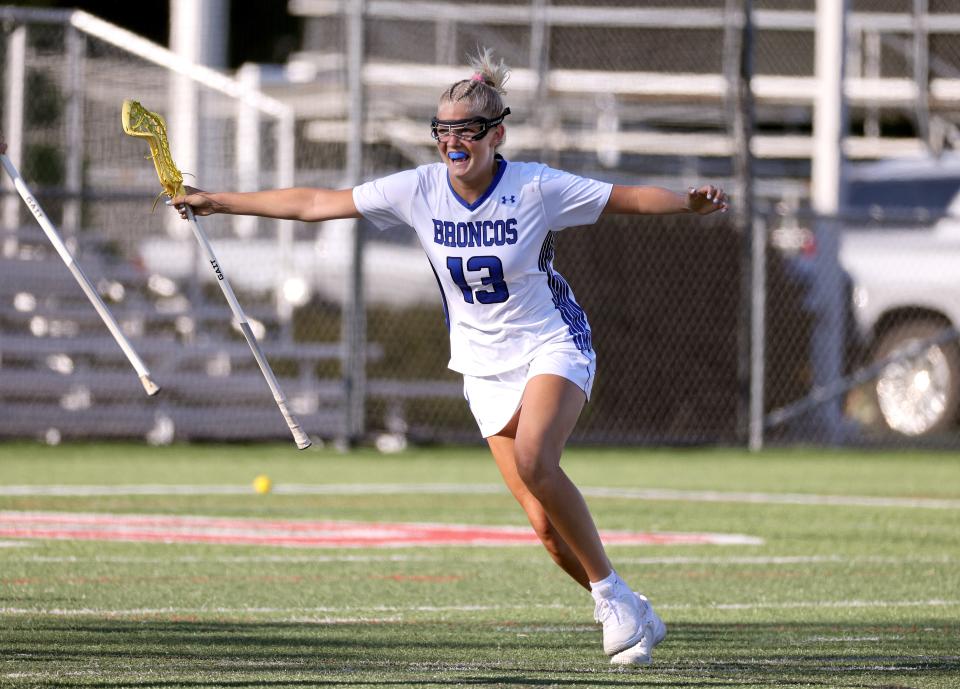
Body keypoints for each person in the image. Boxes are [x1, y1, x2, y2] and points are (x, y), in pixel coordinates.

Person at [171, 49, 728, 666]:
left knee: (535, 459)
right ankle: (622, 600)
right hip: (482, 366)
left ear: (497, 135)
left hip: (551, 343)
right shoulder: (419, 189)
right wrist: (217, 201)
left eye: (467, 130)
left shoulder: (535, 187)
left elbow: (625, 198)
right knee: (545, 530)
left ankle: (613, 601)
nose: (453, 142)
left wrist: (686, 201)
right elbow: (314, 203)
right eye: (443, 131)